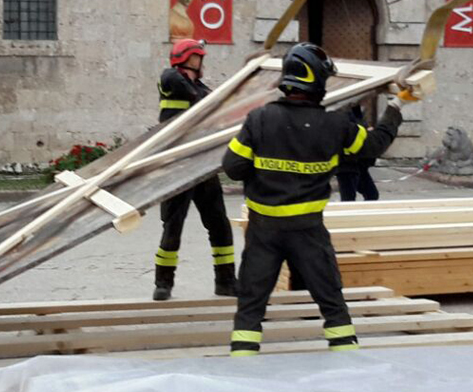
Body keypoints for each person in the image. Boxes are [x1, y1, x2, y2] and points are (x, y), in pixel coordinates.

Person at [220, 43, 402, 356]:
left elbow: (232, 168)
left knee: (250, 308)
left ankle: (243, 366)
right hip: (308, 232)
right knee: (332, 305)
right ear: (317, 82)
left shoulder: (259, 120)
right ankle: (349, 367)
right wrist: (396, 108)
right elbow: (374, 145)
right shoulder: (336, 125)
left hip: (263, 230)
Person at [152, 39, 237, 301]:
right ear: (190, 58)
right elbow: (195, 97)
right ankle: (163, 284)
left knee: (219, 224)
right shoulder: (171, 79)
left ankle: (225, 282)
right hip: (177, 166)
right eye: (199, 57)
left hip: (201, 165)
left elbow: (214, 103)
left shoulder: (199, 87)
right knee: (173, 226)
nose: (202, 62)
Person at [334, 106, 381, 202]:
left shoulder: (355, 108)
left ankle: (363, 216)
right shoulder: (343, 109)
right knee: (348, 199)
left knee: (372, 195)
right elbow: (350, 129)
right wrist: (366, 130)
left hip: (358, 162)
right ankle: (347, 216)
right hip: (346, 163)